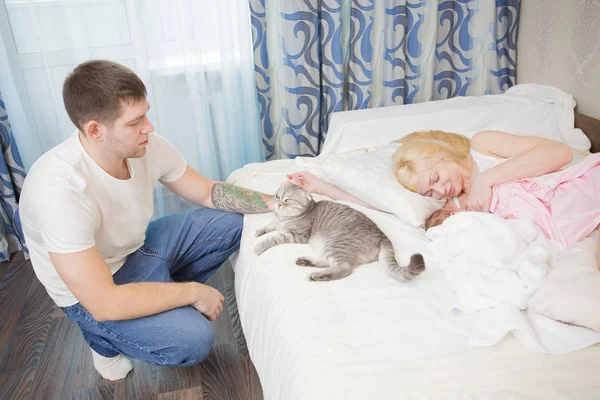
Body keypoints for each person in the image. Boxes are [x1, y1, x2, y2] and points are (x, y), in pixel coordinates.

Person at [19, 60, 274, 381]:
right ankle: (103, 341)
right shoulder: (59, 191)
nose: (149, 128)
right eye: (135, 122)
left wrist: (277, 203)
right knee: (193, 341)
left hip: (137, 249)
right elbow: (104, 303)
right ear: (95, 130)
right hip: (94, 294)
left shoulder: (146, 145)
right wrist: (195, 293)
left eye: (146, 114)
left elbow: (209, 192)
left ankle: (156, 297)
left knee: (234, 222)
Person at [289, 129, 600, 269]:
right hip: (565, 231)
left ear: (442, 154)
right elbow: (382, 209)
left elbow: (559, 153)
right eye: (430, 193)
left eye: (436, 178)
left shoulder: (483, 147)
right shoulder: (452, 206)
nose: (440, 192)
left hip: (574, 193)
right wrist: (320, 186)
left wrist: (486, 180)